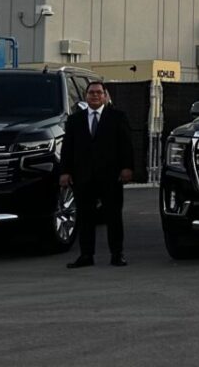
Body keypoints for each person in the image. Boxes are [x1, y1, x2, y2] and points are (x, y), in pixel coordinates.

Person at [60, 80, 135, 268]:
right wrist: (65, 172)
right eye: (91, 93)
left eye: (98, 93)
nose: (95, 96)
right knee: (85, 218)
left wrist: (127, 168)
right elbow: (68, 148)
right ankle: (86, 255)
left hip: (111, 176)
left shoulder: (117, 117)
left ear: (105, 95)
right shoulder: (75, 120)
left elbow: (126, 145)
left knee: (113, 216)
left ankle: (117, 254)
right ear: (86, 96)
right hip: (83, 177)